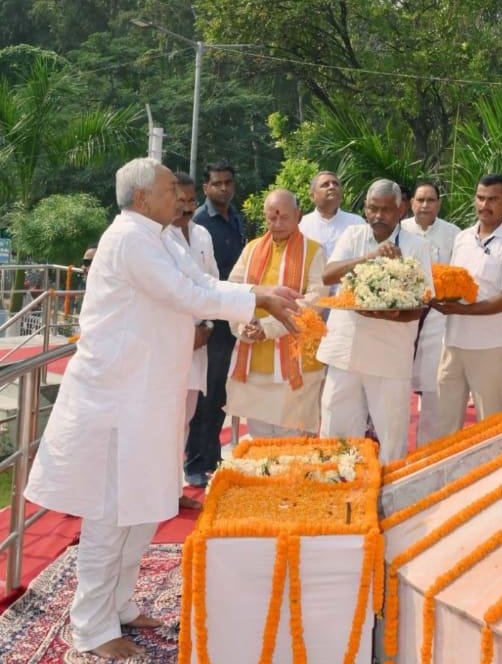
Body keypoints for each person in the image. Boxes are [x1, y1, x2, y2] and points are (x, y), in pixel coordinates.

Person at [24, 157, 300, 661]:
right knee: (110, 515)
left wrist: (259, 296)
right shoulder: (129, 238)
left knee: (144, 508)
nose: (180, 195)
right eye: (171, 187)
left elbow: (202, 285)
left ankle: (121, 603)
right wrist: (259, 295)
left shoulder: (165, 237)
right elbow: (187, 294)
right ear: (141, 198)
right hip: (118, 401)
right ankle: (91, 626)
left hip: (151, 398)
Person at [317, 179, 433, 463]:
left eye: (386, 210)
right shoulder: (353, 235)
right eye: (372, 208)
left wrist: (392, 313)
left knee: (391, 436)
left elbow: (423, 304)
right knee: (336, 429)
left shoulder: (416, 245)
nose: (378, 216)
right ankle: (339, 489)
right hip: (346, 352)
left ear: (401, 210)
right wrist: (369, 257)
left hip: (390, 355)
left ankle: (392, 498)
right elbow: (328, 274)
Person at [432, 175, 502, 437]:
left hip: (488, 348)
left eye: (493, 199)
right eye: (481, 198)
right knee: (444, 423)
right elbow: (454, 285)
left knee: (491, 426)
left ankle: (493, 476)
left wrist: (464, 311)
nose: (485, 205)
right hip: (452, 344)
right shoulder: (462, 238)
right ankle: (448, 476)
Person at [225, 189, 326, 437]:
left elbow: (315, 302)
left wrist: (268, 328)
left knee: (294, 442)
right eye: (272, 218)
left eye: (284, 218)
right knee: (260, 441)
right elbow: (232, 290)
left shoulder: (314, 251)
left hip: (298, 364)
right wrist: (244, 327)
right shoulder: (251, 249)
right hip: (256, 364)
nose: (277, 224)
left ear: (298, 216)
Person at [184, 162, 246, 484]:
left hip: (230, 319)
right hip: (206, 321)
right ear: (205, 188)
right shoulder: (196, 223)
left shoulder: (236, 219)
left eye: (228, 182)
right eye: (217, 184)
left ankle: (212, 457)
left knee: (220, 393)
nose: (224, 188)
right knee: (201, 392)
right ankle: (194, 462)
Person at [166, 170, 218, 508]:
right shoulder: (158, 237)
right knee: (163, 421)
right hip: (169, 345)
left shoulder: (202, 235)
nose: (186, 208)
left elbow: (211, 281)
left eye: (190, 201)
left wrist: (208, 326)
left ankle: (173, 491)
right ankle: (157, 492)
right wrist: (188, 331)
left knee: (184, 417)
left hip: (198, 344)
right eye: (180, 201)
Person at [401, 180, 460, 444]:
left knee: (434, 387)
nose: (425, 205)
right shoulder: (398, 231)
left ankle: (429, 450)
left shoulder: (454, 234)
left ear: (439, 203)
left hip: (438, 320)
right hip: (401, 319)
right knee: (397, 388)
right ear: (411, 203)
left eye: (431, 200)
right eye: (420, 200)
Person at [299, 171, 363, 261]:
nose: (332, 187)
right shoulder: (301, 225)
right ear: (312, 197)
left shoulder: (357, 223)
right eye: (325, 185)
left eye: (335, 184)